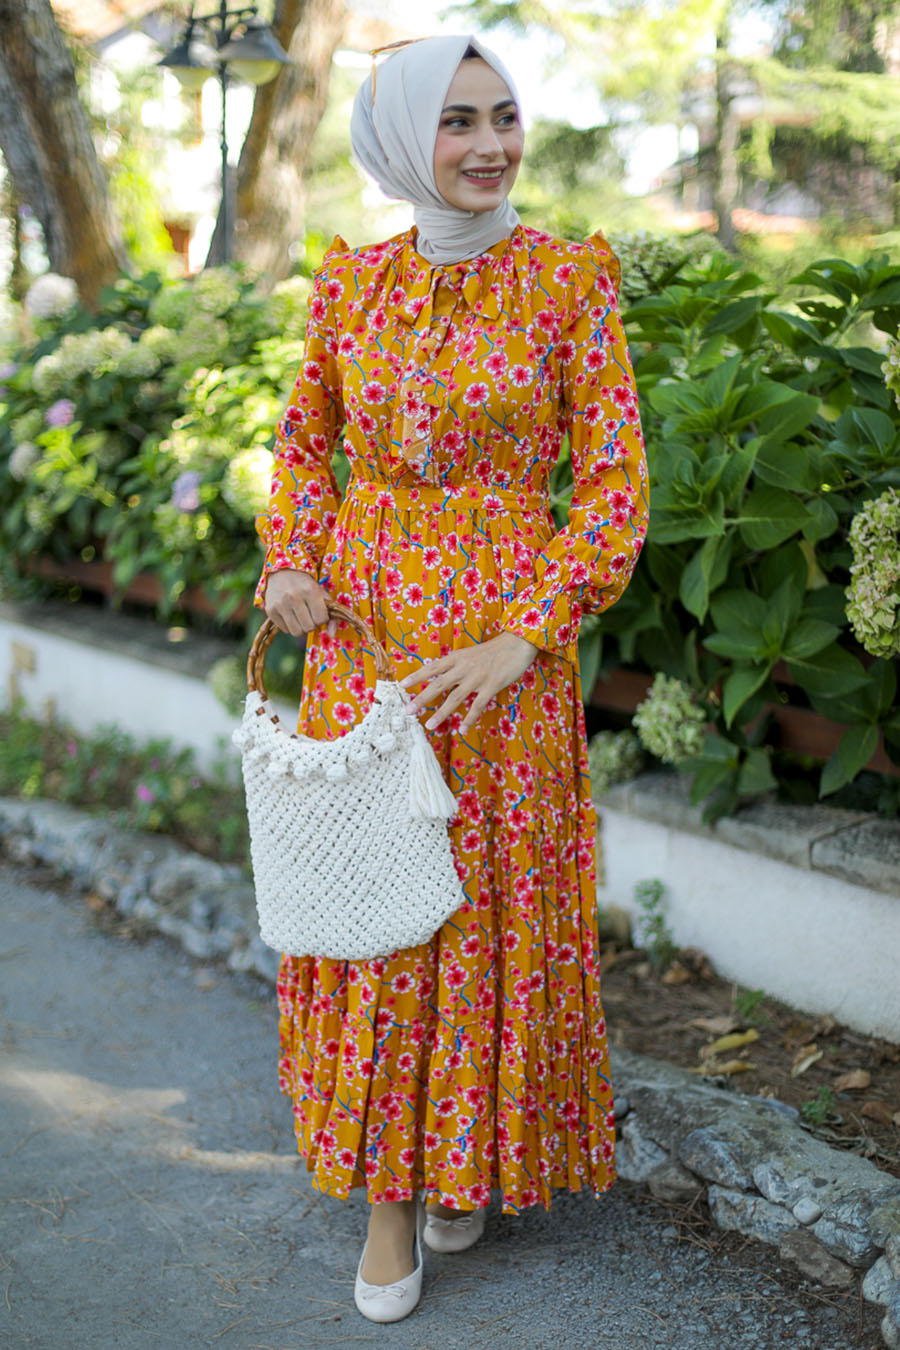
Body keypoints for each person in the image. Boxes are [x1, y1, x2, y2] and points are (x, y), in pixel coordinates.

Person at [255, 32, 649, 1324]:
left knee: (480, 922)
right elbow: (305, 449)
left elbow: (612, 493)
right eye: (458, 121)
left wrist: (523, 633)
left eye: (506, 117)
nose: (489, 145)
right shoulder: (349, 292)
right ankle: (385, 1197)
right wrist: (292, 565)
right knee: (382, 915)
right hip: (366, 653)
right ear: (400, 138)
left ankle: (462, 1154)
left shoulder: (567, 282)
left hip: (502, 670)